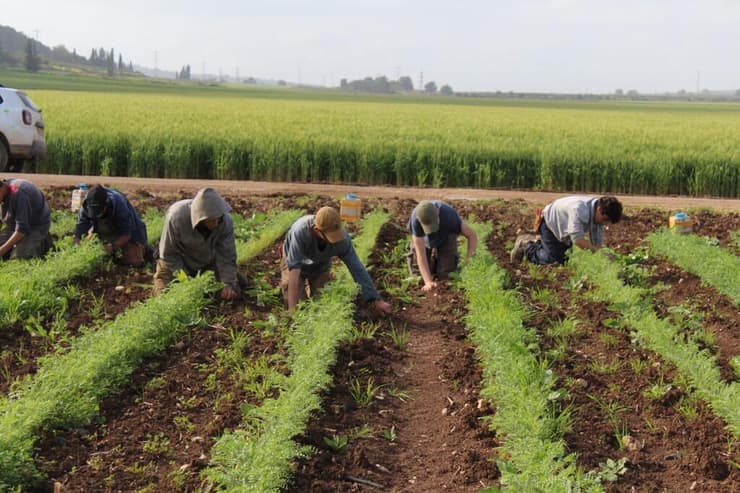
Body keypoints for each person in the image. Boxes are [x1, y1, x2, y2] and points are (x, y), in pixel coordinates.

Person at [281, 206, 391, 315]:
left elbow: (356, 267)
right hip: (294, 264)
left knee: (321, 304)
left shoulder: (342, 240)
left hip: (320, 265)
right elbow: (294, 272)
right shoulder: (300, 233)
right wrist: (292, 309)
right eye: (330, 236)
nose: (334, 240)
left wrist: (375, 299)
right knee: (299, 306)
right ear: (317, 230)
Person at [153, 188, 242, 300]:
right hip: (176, 263)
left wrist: (227, 284)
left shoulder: (225, 221)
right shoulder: (177, 217)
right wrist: (186, 281)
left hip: (205, 262)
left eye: (218, 219)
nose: (216, 223)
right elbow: (168, 255)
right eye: (211, 220)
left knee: (231, 293)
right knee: (164, 297)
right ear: (200, 218)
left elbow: (226, 256)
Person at [511, 195, 623, 265]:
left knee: (564, 260)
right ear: (599, 209)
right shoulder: (579, 210)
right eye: (605, 220)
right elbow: (578, 241)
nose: (604, 223)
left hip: (564, 230)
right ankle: (526, 245)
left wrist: (604, 255)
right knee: (554, 260)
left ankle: (542, 243)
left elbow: (597, 242)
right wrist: (598, 252)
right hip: (550, 223)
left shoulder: (598, 212)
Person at [407, 200, 478, 291]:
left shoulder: (449, 215)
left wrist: (468, 260)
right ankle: (433, 259)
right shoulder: (415, 219)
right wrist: (428, 281)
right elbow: (421, 255)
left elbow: (472, 236)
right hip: (424, 239)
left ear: (438, 211)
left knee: (446, 275)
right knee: (418, 276)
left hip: (446, 235)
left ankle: (438, 258)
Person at [73, 185, 149, 267]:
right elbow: (79, 232)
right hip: (101, 229)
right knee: (88, 245)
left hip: (124, 232)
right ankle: (108, 251)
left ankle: (142, 250)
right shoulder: (86, 205)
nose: (97, 214)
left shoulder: (119, 204)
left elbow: (127, 234)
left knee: (135, 261)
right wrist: (76, 249)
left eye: (99, 211)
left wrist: (113, 246)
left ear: (106, 204)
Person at [0, 177, 52, 260]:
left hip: (35, 226)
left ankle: (44, 242)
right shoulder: (4, 190)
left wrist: (2, 250)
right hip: (15, 225)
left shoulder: (20, 194)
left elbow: (21, 230)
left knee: (18, 258)